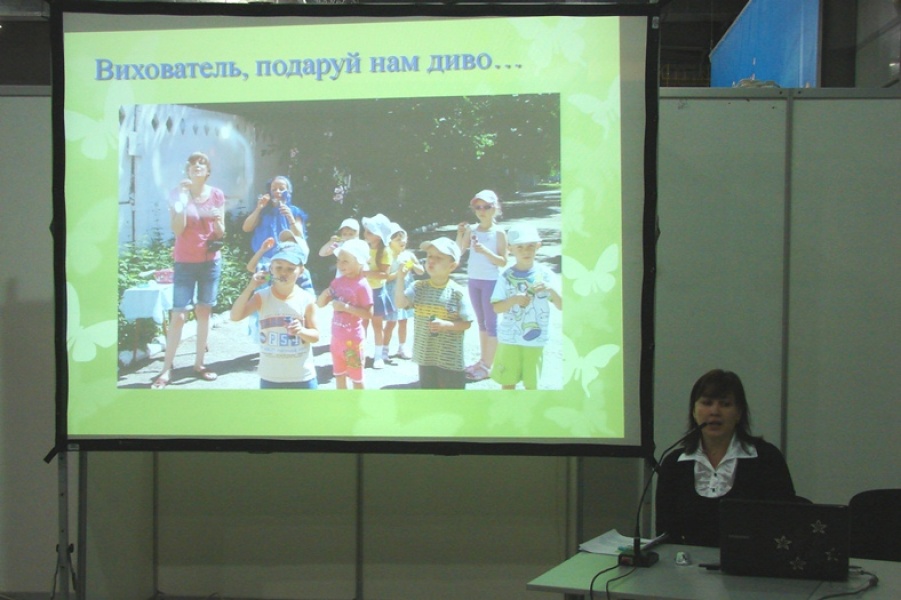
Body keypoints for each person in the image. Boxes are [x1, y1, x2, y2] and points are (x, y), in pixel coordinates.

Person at [655, 369, 798, 547]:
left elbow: (785, 524)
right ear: (693, 411)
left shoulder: (766, 458)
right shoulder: (674, 464)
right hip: (687, 563)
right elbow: (665, 534)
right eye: (707, 403)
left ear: (739, 413)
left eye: (725, 404)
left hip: (752, 562)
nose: (715, 411)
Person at [151, 151, 225, 390]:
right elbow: (178, 229)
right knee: (179, 315)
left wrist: (217, 220)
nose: (197, 166)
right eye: (193, 164)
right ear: (188, 170)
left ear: (208, 171)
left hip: (210, 261)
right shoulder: (177, 193)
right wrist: (183, 198)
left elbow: (221, 232)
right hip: (184, 261)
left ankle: (199, 364)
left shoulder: (216, 194)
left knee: (204, 311)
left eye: (202, 163)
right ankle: (166, 369)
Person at [229, 240, 319, 389]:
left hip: (302, 376)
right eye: (279, 267)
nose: (284, 273)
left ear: (301, 271)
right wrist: (251, 287)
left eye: (290, 269)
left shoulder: (306, 300)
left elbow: (315, 336)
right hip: (270, 377)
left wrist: (301, 331)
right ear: (271, 268)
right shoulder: (262, 297)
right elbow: (235, 316)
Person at [394, 237, 474, 389]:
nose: (431, 260)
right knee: (429, 396)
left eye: (439, 258)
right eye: (430, 256)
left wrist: (446, 325)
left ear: (452, 266)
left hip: (450, 359)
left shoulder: (457, 292)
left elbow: (467, 323)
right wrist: (400, 278)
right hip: (426, 356)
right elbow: (400, 303)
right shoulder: (418, 287)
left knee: (451, 398)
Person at [489, 223, 562, 390]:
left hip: (535, 340)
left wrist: (550, 289)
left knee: (531, 384)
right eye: (520, 247)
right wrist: (514, 300)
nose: (526, 251)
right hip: (509, 338)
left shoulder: (546, 275)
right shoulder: (505, 276)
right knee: (508, 381)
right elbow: (497, 308)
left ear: (538, 246)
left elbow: (562, 305)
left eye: (530, 246)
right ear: (510, 249)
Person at [456, 190, 507, 382]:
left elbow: (503, 261)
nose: (481, 211)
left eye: (486, 207)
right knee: (481, 323)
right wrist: (460, 233)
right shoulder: (472, 230)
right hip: (473, 280)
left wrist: (485, 251)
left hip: (491, 282)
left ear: (495, 208)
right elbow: (459, 251)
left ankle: (488, 366)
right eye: (478, 207)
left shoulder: (499, 232)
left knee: (491, 324)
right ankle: (483, 361)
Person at [317, 239, 373, 390]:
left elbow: (369, 314)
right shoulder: (337, 282)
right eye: (338, 260)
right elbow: (320, 304)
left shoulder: (362, 285)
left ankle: (359, 404)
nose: (340, 264)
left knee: (356, 378)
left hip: (352, 342)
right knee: (339, 374)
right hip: (336, 339)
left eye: (345, 261)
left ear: (359, 262)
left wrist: (346, 307)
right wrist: (324, 294)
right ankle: (343, 402)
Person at [242, 175, 313, 292]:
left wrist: (290, 218)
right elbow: (246, 228)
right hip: (266, 262)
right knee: (264, 289)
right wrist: (259, 208)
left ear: (289, 191)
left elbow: (299, 236)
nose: (277, 191)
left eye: (281, 188)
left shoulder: (294, 211)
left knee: (284, 288)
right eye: (274, 189)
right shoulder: (264, 211)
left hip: (286, 261)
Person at [383, 222, 424, 360]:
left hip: (406, 291)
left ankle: (402, 347)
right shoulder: (388, 256)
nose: (402, 241)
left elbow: (421, 271)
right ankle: (384, 349)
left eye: (404, 238)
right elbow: (385, 277)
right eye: (398, 239)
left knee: (404, 321)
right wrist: (399, 273)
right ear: (390, 242)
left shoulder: (408, 255)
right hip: (392, 293)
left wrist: (412, 265)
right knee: (391, 322)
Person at [361, 213, 394, 369]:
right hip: (362, 291)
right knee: (362, 323)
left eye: (370, 232)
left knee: (377, 325)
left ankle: (378, 355)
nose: (366, 234)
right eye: (366, 230)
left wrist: (365, 273)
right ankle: (360, 353)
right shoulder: (364, 247)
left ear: (379, 236)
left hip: (376, 291)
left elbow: (385, 274)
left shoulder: (385, 251)